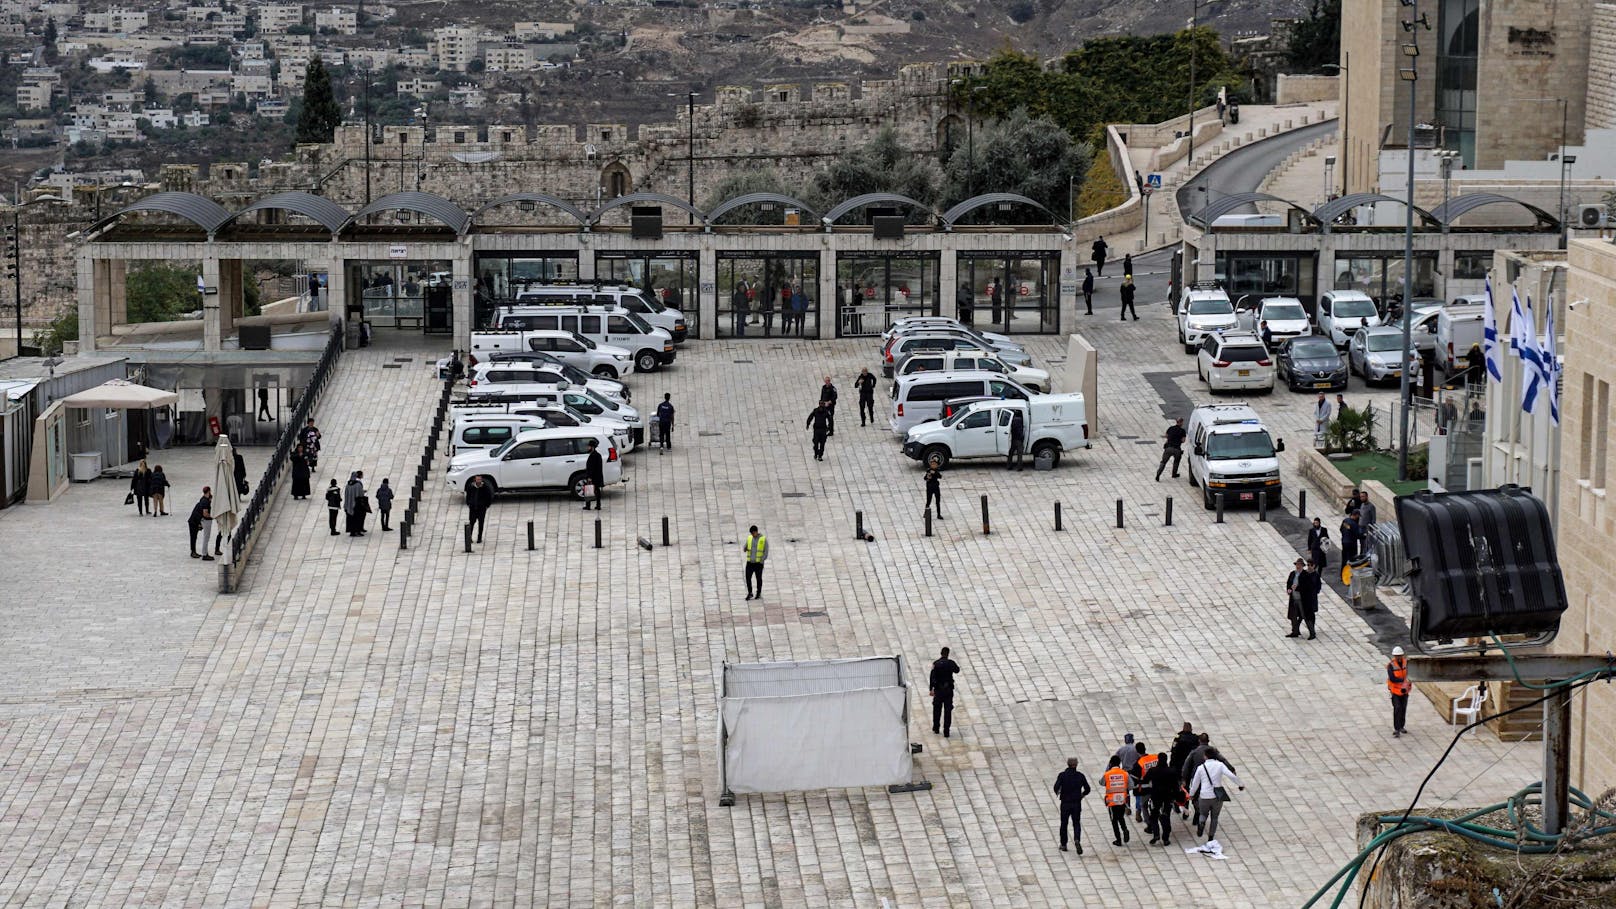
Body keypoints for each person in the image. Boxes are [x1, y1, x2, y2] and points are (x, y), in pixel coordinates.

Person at [1188, 748, 1243, 843]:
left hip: (1204, 795)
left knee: (1203, 814)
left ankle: (1201, 823)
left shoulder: (1201, 768)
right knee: (1215, 817)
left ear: (1205, 756)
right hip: (1217, 796)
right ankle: (1211, 837)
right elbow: (1231, 775)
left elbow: (1195, 783)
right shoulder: (1220, 765)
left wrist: (1191, 794)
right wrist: (1240, 784)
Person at [1053, 758, 1091, 853]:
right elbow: (1088, 789)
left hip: (1065, 803)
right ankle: (1077, 839)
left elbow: (1056, 787)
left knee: (1064, 823)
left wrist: (1059, 792)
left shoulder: (1062, 775)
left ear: (1068, 764)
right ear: (1076, 765)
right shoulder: (1080, 776)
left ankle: (1063, 844)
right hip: (1076, 803)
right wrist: (1082, 795)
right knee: (1076, 823)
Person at [1144, 752, 1177, 846]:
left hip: (1155, 796)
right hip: (1167, 797)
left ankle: (1156, 834)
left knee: (1154, 816)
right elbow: (1175, 786)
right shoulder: (1171, 771)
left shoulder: (1153, 770)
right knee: (1166, 816)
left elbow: (1145, 780)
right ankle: (1166, 838)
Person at [928, 646, 960, 737]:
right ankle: (946, 730)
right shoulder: (950, 663)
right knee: (948, 710)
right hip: (948, 690)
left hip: (938, 690)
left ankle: (936, 727)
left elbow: (932, 677)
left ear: (941, 653)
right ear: (948, 654)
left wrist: (931, 689)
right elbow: (957, 670)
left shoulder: (936, 664)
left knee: (937, 709)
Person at [1101, 756, 1132, 846]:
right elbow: (1131, 786)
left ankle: (1118, 840)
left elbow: (1101, 782)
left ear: (1110, 763)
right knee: (1120, 817)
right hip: (1122, 800)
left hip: (1112, 801)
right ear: (1119, 763)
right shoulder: (1125, 773)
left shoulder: (1107, 774)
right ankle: (1125, 829)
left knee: (1114, 820)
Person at [1131, 743, 1158, 826]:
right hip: (1157, 786)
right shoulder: (1155, 758)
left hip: (1145, 788)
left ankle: (1148, 823)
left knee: (1143, 805)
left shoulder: (1138, 763)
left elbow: (1135, 778)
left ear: (1137, 751)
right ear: (1145, 748)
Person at [1387, 645, 1411, 737]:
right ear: (1394, 656)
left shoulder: (1406, 663)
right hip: (1395, 691)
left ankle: (1402, 726)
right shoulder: (1391, 666)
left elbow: (1410, 673)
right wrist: (1403, 680)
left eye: (1400, 655)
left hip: (1404, 691)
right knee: (1397, 708)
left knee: (1403, 708)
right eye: (1397, 656)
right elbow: (1392, 679)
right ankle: (1396, 729)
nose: (1398, 657)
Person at [743, 524, 768, 600]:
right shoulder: (750, 538)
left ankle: (758, 592)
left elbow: (766, 552)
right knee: (748, 578)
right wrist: (745, 548)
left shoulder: (763, 539)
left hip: (758, 564)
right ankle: (750, 592)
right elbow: (745, 547)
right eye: (751, 533)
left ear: (756, 532)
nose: (752, 535)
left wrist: (761, 560)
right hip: (750, 562)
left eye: (753, 533)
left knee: (758, 578)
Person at [189, 486, 214, 561]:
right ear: (209, 491)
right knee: (194, 537)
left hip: (196, 520)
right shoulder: (205, 501)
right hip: (193, 521)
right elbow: (205, 514)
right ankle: (194, 552)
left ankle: (195, 552)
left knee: (195, 537)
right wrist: (213, 516)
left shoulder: (203, 499)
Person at [466, 474, 493, 542]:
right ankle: (469, 538)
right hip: (473, 508)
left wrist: (487, 505)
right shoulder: (471, 486)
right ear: (475, 479)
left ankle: (479, 537)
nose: (479, 481)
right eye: (477, 479)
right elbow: (468, 495)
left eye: (480, 479)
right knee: (471, 523)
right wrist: (469, 503)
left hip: (481, 508)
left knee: (481, 523)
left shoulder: (485, 487)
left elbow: (489, 496)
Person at [1286, 558, 1308, 638]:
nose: (1298, 566)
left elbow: (1306, 586)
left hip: (1302, 599)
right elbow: (1289, 583)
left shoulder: (1305, 574)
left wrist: (1297, 588)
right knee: (1293, 616)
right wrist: (1289, 589)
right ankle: (1294, 631)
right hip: (1294, 598)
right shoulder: (1292, 574)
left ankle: (1310, 631)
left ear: (1302, 566)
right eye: (1297, 565)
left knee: (1304, 615)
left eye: (1299, 565)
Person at [344, 470, 367, 537]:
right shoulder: (358, 485)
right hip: (356, 505)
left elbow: (346, 495)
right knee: (357, 518)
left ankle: (352, 531)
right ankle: (357, 531)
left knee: (350, 519)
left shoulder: (348, 485)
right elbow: (360, 494)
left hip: (349, 505)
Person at [583, 439, 604, 511]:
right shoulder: (597, 455)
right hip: (597, 477)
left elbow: (592, 468)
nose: (587, 448)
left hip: (593, 477)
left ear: (592, 447)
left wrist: (589, 477)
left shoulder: (594, 456)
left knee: (589, 490)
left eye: (589, 446)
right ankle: (597, 505)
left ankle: (588, 506)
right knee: (596, 491)